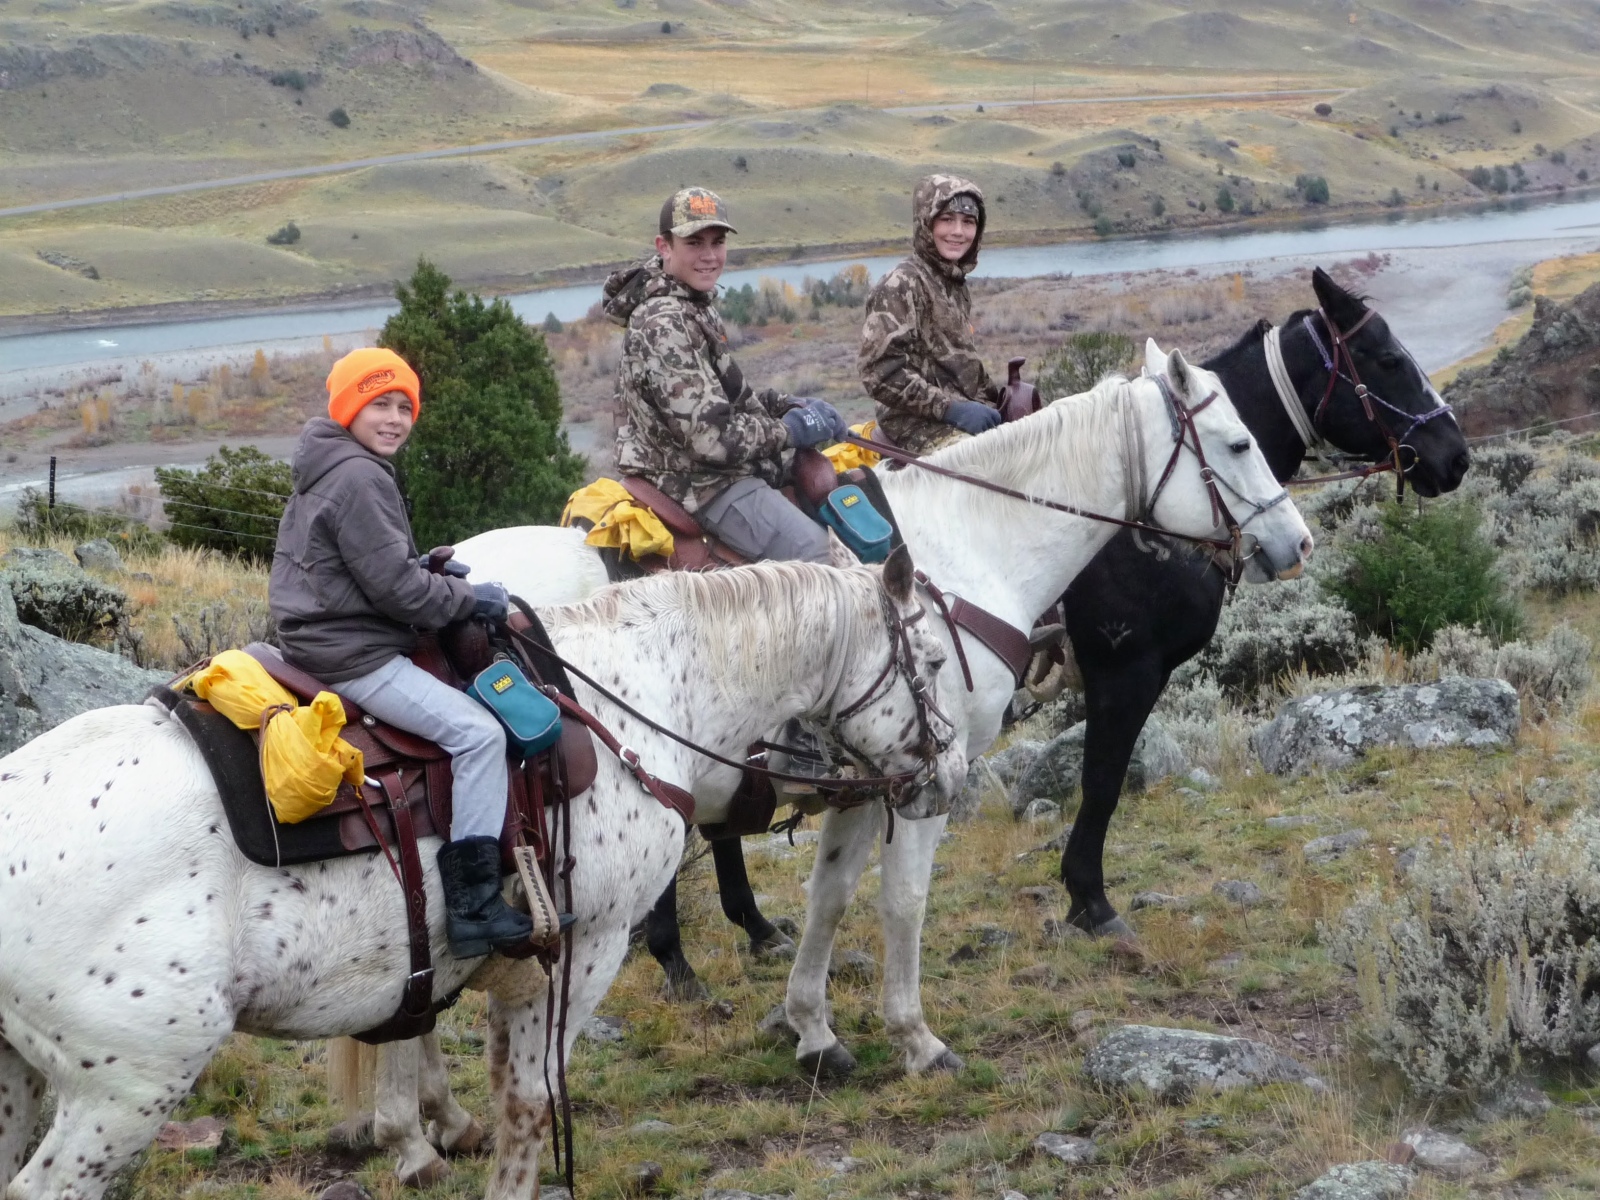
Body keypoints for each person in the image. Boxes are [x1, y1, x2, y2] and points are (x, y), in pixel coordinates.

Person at [269, 347, 530, 959]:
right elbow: (397, 591)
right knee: (479, 735)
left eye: (403, 407)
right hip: (351, 652)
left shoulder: (328, 461)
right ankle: (474, 906)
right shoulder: (360, 476)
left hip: (317, 633)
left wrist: (421, 568)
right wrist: (471, 598)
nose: (394, 419)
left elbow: (366, 566)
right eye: (378, 404)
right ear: (348, 409)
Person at [604, 187, 848, 564]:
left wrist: (789, 405)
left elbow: (723, 399)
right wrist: (791, 431)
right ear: (664, 246)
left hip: (712, 470)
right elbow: (710, 439)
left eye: (717, 242)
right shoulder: (664, 323)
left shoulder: (692, 303)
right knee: (825, 558)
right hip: (698, 484)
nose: (709, 255)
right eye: (694, 243)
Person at [859, 174, 1004, 454]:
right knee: (984, 463)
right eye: (947, 219)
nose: (958, 231)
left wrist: (997, 398)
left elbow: (956, 364)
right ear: (926, 222)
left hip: (961, 407)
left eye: (968, 222)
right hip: (912, 422)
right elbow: (879, 374)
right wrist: (952, 409)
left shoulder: (953, 282)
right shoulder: (900, 284)